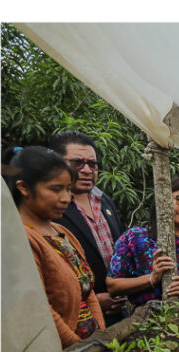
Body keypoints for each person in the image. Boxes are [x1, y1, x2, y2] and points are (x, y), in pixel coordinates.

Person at [5, 146, 105, 348]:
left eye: (68, 189)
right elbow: (41, 308)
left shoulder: (62, 232)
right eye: (55, 189)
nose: (66, 198)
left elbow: (88, 291)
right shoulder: (20, 238)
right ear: (23, 187)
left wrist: (102, 337)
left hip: (90, 347)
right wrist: (78, 350)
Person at [48, 130, 128, 325]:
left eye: (92, 164)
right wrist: (92, 300)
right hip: (77, 317)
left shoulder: (105, 200)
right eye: (77, 163)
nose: (86, 170)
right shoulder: (52, 206)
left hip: (118, 311)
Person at [105, 177, 179, 305]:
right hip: (149, 319)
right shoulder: (135, 238)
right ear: (163, 200)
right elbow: (113, 286)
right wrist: (151, 278)